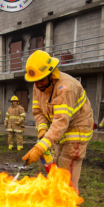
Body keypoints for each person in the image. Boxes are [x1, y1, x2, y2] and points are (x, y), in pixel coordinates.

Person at [22, 50, 93, 193]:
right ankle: (59, 203)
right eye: (35, 81)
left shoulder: (65, 88)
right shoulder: (38, 86)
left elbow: (61, 121)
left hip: (76, 129)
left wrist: (40, 147)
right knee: (56, 167)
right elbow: (38, 111)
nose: (38, 85)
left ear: (51, 74)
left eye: (41, 80)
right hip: (60, 130)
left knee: (66, 172)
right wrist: (42, 130)